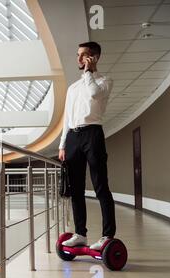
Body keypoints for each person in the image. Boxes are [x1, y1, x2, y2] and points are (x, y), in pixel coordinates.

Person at [58, 41, 116, 250]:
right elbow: (67, 117)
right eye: (78, 55)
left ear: (95, 57)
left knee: (101, 186)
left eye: (83, 55)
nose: (79, 59)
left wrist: (89, 72)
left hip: (93, 134)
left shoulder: (105, 81)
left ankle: (107, 235)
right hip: (73, 137)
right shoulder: (73, 88)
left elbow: (93, 94)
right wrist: (62, 144)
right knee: (76, 189)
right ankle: (80, 233)